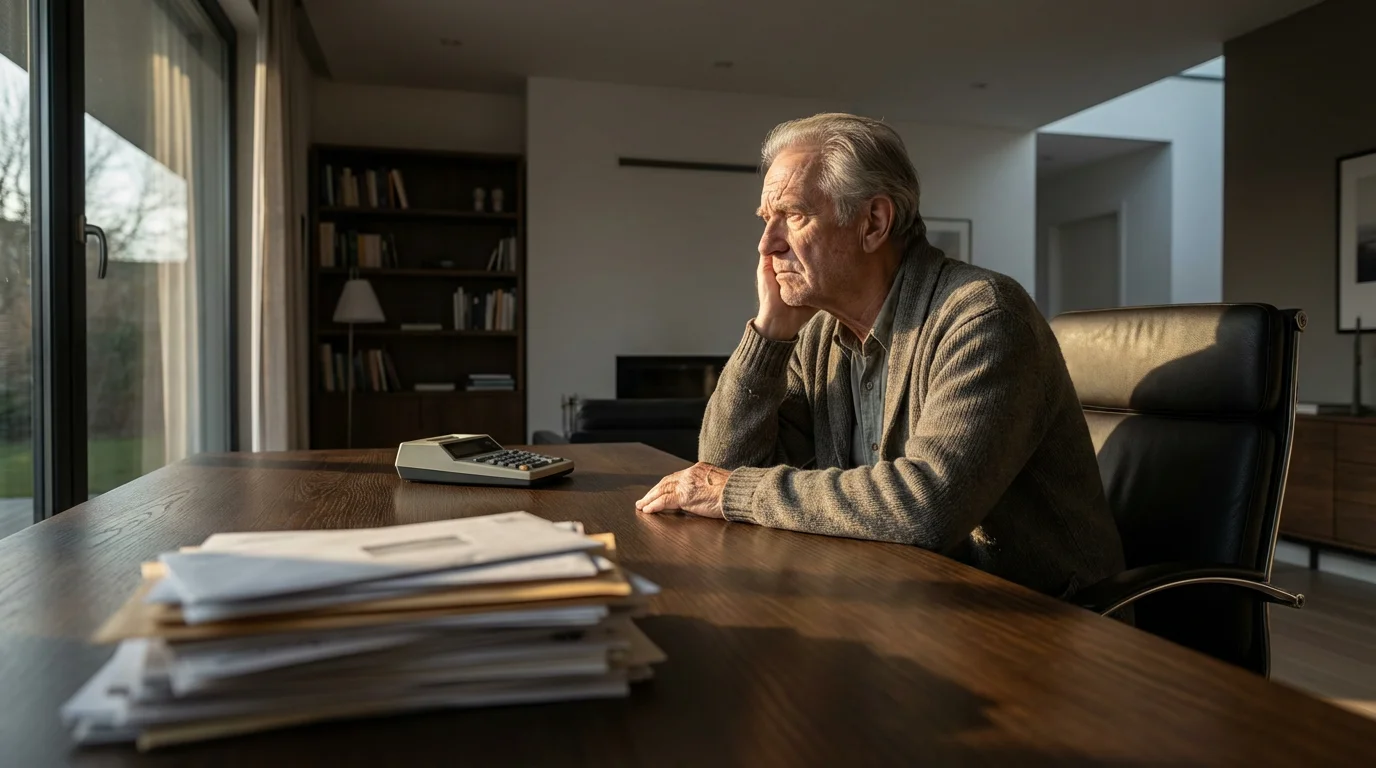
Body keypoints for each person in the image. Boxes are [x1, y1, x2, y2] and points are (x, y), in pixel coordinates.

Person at [635, 113, 1125, 598]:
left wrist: (736, 492)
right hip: (900, 596)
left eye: (794, 215)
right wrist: (769, 333)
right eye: (767, 220)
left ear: (873, 223)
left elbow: (929, 505)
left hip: (1040, 617)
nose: (767, 245)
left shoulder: (984, 316)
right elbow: (724, 466)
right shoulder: (818, 333)